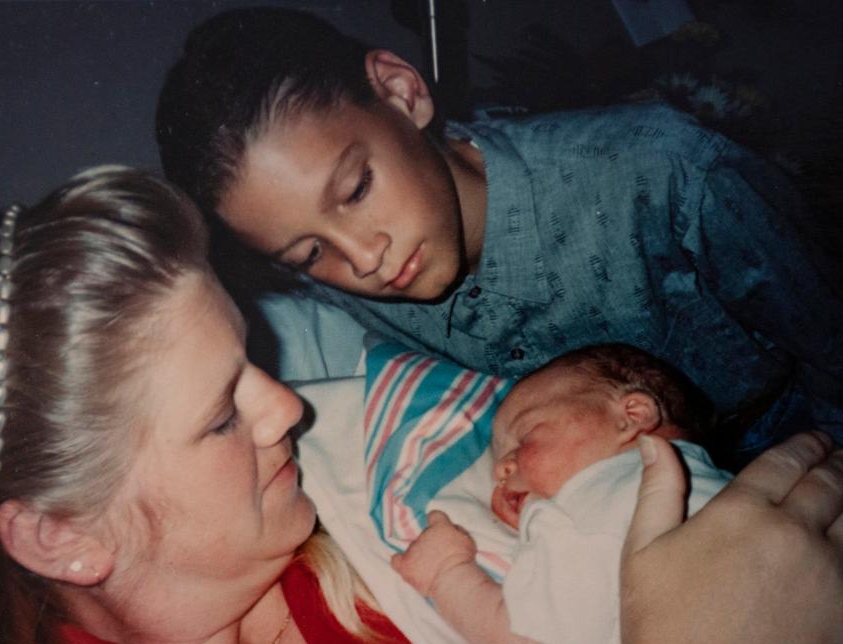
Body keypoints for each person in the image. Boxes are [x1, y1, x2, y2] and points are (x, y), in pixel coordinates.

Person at [0, 167, 842, 644]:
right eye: (222, 415)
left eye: (250, 355)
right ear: (62, 534)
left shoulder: (375, 442)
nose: (287, 406)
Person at [155, 7, 843, 465]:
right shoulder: (338, 292)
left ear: (402, 92)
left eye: (357, 190)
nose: (366, 258)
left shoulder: (673, 175)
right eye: (309, 253)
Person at [388, 345, 726, 644]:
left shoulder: (591, 500)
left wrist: (447, 572)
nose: (500, 469)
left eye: (525, 436)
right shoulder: (721, 487)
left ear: (631, 415)